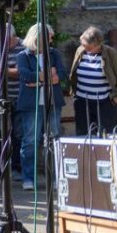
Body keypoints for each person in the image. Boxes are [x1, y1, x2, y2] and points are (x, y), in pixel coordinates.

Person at [17, 23, 67, 192]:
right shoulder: (23, 56)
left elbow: (61, 74)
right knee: (30, 141)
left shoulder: (54, 54)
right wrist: (48, 75)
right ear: (38, 38)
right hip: (31, 105)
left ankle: (54, 178)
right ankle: (29, 178)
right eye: (49, 36)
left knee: (54, 140)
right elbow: (25, 76)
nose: (52, 39)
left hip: (52, 103)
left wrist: (37, 80)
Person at [0, 22, 25, 180]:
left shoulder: (24, 46)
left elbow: (23, 72)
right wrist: (12, 69)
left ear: (13, 36)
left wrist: (0, 69)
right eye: (0, 40)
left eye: (6, 40)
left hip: (18, 96)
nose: (2, 44)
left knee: (17, 133)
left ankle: (15, 168)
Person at [69, 26, 117, 135]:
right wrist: (74, 93)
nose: (85, 48)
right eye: (83, 45)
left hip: (105, 102)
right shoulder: (80, 51)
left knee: (105, 134)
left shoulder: (110, 53)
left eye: (88, 46)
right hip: (82, 101)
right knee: (83, 134)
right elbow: (73, 73)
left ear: (98, 44)